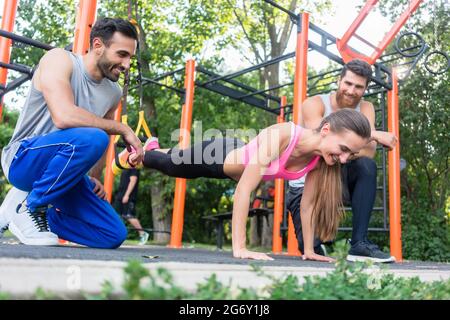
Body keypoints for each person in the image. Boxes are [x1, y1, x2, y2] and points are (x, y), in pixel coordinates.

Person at [115, 108, 378, 261]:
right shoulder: (283, 135)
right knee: (173, 166)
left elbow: (307, 207)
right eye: (343, 149)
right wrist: (240, 248)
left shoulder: (319, 160)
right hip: (219, 156)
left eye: (350, 155)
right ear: (326, 130)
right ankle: (143, 153)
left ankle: (156, 148)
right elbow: (244, 189)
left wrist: (309, 250)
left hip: (237, 155)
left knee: (176, 157)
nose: (344, 159)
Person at [0, 18, 143, 248]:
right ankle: (30, 205)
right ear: (98, 45)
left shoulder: (113, 92)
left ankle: (38, 214)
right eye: (122, 54)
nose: (126, 64)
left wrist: (95, 177)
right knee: (93, 136)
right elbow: (64, 116)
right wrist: (123, 128)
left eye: (130, 58)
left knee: (112, 233)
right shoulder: (59, 60)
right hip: (22, 160)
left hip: (64, 173)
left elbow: (104, 137)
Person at [286, 59, 397, 263]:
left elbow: (368, 152)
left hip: (339, 178)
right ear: (339, 80)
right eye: (348, 83)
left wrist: (362, 142)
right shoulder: (314, 104)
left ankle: (359, 245)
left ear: (365, 88)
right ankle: (318, 243)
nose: (351, 90)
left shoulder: (366, 108)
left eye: (358, 86)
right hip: (306, 184)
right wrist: (373, 134)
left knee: (366, 166)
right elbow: (321, 142)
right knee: (312, 251)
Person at [113, 168, 149, 245]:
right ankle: (115, 235)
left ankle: (142, 234)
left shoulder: (134, 167)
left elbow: (133, 180)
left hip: (128, 196)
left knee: (129, 215)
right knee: (115, 214)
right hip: (120, 195)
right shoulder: (125, 166)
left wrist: (127, 195)